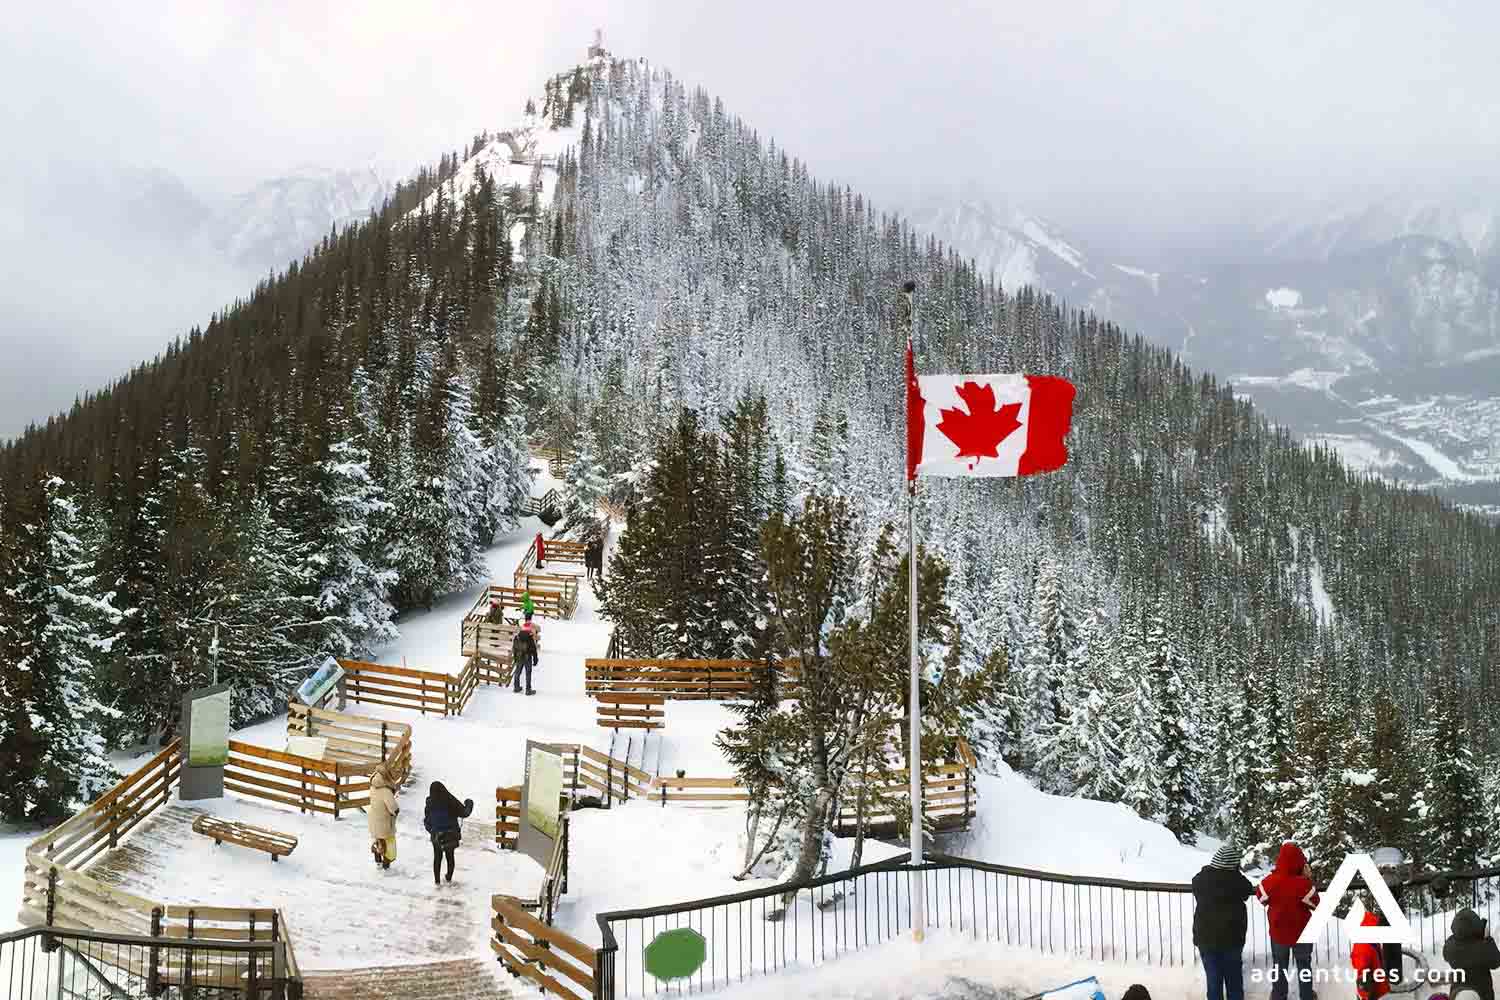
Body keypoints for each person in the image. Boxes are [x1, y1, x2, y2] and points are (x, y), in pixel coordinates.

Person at [1256, 841, 1320, 1000]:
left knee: (1279, 965)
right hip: (1302, 933)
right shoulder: (1303, 884)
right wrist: (1307, 878)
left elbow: (1261, 897)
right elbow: (1315, 903)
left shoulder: (1270, 881)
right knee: (1304, 965)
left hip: (1279, 933)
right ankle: (1306, 995)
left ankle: (1279, 995)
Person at [1193, 843, 1254, 1000]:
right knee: (1234, 982)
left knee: (1213, 982)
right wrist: (1236, 873)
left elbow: (1196, 882)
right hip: (1232, 939)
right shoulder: (1236, 881)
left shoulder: (1201, 879)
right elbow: (1248, 889)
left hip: (1205, 938)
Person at [423, 780, 474, 886]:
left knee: (437, 857)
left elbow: (427, 821)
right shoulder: (450, 800)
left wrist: (432, 830)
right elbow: (464, 813)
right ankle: (448, 877)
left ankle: (437, 881)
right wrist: (469, 803)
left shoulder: (430, 803)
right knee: (450, 857)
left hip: (436, 835)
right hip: (450, 835)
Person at [1444, 908, 1500, 1000]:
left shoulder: (1451, 945)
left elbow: (1446, 955)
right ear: (1476, 927)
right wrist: (1488, 939)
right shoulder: (1483, 946)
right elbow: (1496, 962)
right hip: (1482, 992)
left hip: (1458, 991)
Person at [1353, 910, 1392, 1000]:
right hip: (1368, 991)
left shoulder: (1371, 941)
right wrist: (1366, 994)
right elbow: (1362, 973)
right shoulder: (1364, 946)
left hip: (1373, 986)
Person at [367, 767, 398, 871]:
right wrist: (396, 811)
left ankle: (378, 862)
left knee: (378, 841)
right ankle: (386, 866)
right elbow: (393, 807)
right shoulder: (386, 791)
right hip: (384, 821)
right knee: (388, 845)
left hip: (374, 819)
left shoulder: (373, 787)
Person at [512, 616, 539, 695]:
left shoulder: (517, 637)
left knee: (517, 672)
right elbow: (533, 649)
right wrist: (535, 659)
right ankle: (528, 690)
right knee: (528, 673)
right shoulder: (530, 638)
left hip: (519, 656)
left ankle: (516, 687)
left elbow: (514, 648)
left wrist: (515, 657)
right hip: (527, 657)